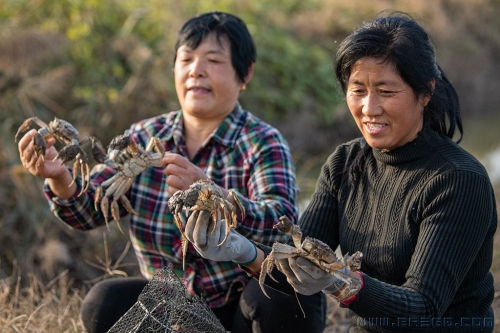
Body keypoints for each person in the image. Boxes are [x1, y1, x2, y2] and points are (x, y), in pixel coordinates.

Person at [185, 11, 498, 333]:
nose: (369, 107)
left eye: (387, 92)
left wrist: (341, 281)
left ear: (426, 92)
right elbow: (297, 263)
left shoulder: (457, 180)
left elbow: (421, 307)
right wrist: (240, 249)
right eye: (358, 89)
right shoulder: (344, 163)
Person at [17, 11, 327, 333]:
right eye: (186, 59)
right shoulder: (142, 137)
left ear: (244, 73)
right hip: (173, 308)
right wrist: (59, 177)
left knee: (280, 292)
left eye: (213, 60)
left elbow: (281, 221)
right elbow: (89, 208)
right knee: (103, 302)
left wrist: (213, 193)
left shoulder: (262, 142)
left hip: (242, 307)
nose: (196, 71)